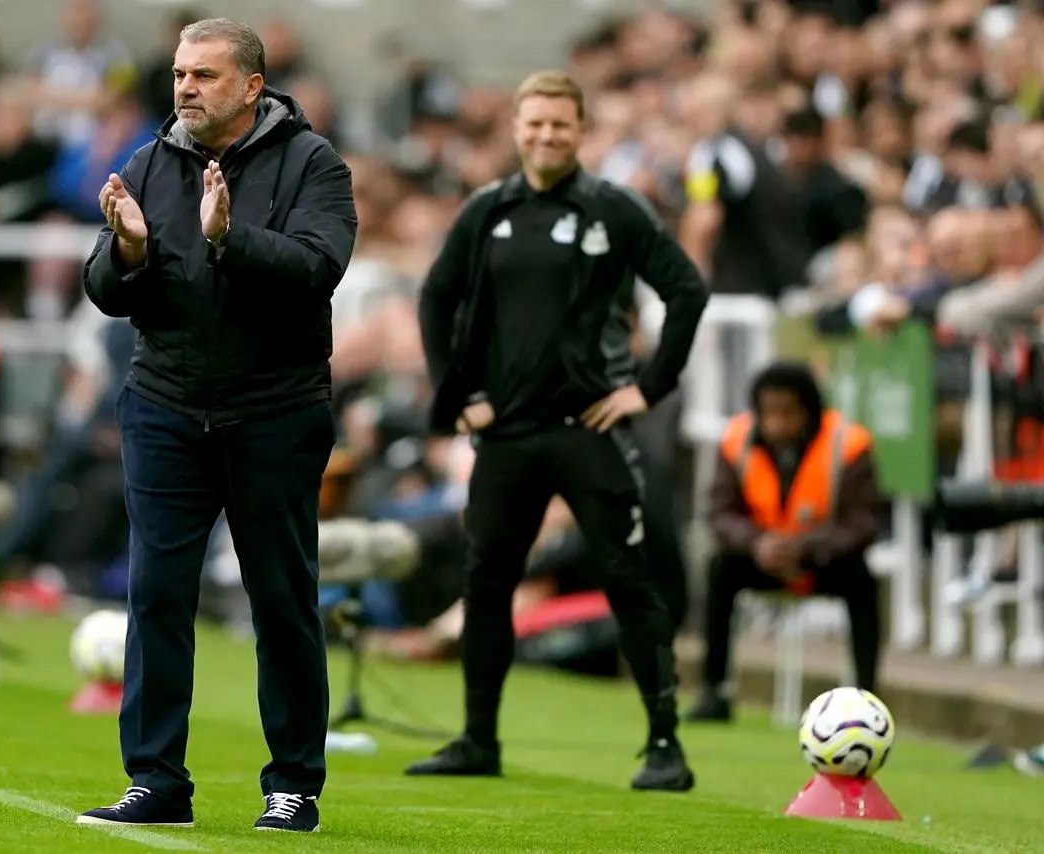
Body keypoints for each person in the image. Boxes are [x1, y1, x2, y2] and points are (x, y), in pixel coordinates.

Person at [76, 18, 356, 834]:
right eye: (178, 74)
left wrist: (232, 240)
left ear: (251, 87)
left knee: (280, 597)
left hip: (274, 410)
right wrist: (126, 254)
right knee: (157, 593)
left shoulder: (314, 165)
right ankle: (156, 779)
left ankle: (293, 783)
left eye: (203, 75)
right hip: (164, 403)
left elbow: (318, 268)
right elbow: (105, 283)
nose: (185, 88)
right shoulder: (149, 161)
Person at [407, 70, 708, 791]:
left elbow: (686, 289)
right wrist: (460, 400)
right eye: (534, 124)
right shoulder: (488, 210)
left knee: (628, 581)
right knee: (487, 584)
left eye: (560, 126)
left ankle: (664, 745)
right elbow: (436, 296)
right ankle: (479, 738)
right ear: (516, 128)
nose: (546, 136)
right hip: (507, 434)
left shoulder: (614, 209)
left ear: (581, 131)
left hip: (588, 427)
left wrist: (648, 388)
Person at [687, 361, 884, 722]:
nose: (778, 423)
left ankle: (867, 702)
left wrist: (808, 547)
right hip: (760, 556)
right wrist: (757, 543)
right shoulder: (735, 441)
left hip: (823, 559)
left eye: (788, 413)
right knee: (718, 568)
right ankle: (715, 690)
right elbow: (719, 512)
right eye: (769, 413)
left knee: (863, 581)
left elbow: (865, 521)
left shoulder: (850, 444)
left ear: (810, 412)